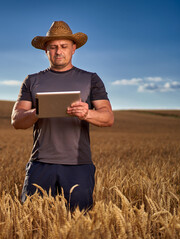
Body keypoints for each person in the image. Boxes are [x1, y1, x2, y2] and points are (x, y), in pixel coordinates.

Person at [11, 21, 114, 211]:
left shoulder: (91, 79)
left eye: (64, 46)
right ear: (46, 50)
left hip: (78, 165)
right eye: (53, 47)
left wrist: (87, 113)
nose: (59, 51)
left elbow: (108, 118)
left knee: (79, 223)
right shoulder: (32, 80)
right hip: (40, 164)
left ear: (74, 48)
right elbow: (16, 120)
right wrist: (37, 112)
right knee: (32, 221)